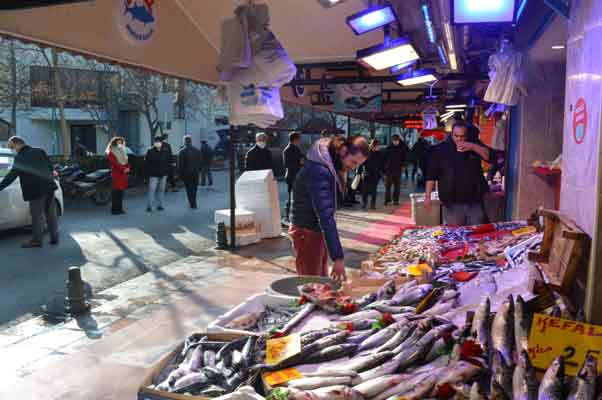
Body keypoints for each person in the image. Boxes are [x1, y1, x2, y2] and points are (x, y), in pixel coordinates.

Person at [290, 135, 369, 281]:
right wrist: (338, 257)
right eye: (353, 162)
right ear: (343, 150)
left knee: (320, 280)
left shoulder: (330, 166)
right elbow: (325, 215)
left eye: (358, 165)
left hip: (316, 230)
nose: (353, 167)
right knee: (311, 283)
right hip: (307, 232)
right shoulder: (319, 170)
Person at [425, 121, 492, 226]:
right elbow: (431, 175)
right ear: (451, 134)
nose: (459, 139)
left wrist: (473, 147)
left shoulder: (473, 144)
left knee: (477, 234)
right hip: (452, 202)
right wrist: (427, 197)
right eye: (456, 136)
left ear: (467, 135)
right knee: (455, 235)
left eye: (462, 136)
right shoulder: (440, 150)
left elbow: (488, 156)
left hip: (474, 201)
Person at [0, 136, 59, 248]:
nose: (13, 150)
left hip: (35, 191)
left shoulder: (20, 157)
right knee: (50, 213)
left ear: (17, 144)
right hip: (49, 187)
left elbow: (11, 176)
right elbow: (50, 167)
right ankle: (54, 237)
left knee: (36, 216)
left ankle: (37, 240)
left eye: (13, 147)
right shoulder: (40, 150)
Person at [145, 136, 172, 212]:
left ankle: (160, 205)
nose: (158, 143)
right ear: (154, 143)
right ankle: (149, 205)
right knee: (152, 190)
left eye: (159, 142)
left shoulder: (165, 151)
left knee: (161, 190)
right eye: (156, 142)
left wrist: (167, 170)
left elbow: (168, 161)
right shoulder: (150, 151)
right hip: (153, 174)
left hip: (163, 174)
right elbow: (147, 163)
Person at [106, 136, 131, 215]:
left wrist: (128, 168)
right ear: (114, 143)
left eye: (121, 142)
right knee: (115, 193)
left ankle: (120, 209)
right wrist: (124, 169)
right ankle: (114, 210)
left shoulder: (123, 151)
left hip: (123, 175)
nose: (120, 144)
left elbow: (126, 161)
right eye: (118, 142)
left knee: (121, 193)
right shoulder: (111, 152)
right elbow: (115, 163)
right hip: (116, 174)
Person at [282, 132, 304, 221]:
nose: (300, 141)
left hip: (292, 175)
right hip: (293, 175)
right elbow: (288, 164)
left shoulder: (291, 149)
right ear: (296, 139)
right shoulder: (291, 149)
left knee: (293, 196)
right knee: (292, 196)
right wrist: (300, 162)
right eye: (299, 139)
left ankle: (290, 216)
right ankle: (288, 216)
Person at [359, 139, 385, 210]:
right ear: (373, 146)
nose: (378, 147)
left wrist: (383, 173)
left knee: (374, 190)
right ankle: (364, 204)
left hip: (375, 175)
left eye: (378, 146)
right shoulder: (366, 153)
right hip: (366, 174)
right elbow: (361, 163)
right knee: (365, 191)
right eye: (376, 146)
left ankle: (372, 204)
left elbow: (382, 164)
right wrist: (359, 173)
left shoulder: (380, 154)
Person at [178, 135, 202, 209]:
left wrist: (180, 174)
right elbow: (200, 162)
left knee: (189, 189)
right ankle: (194, 203)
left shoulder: (182, 151)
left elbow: (180, 165)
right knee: (194, 188)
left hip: (186, 173)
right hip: (195, 173)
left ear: (184, 142)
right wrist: (199, 170)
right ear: (191, 141)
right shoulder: (197, 150)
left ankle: (192, 203)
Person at [384, 134, 407, 206]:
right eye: (394, 141)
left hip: (398, 169)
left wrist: (404, 165)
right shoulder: (388, 148)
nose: (396, 142)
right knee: (388, 186)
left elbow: (405, 157)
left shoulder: (402, 148)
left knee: (397, 186)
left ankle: (396, 200)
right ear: (392, 141)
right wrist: (385, 167)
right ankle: (387, 200)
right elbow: (384, 158)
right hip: (389, 170)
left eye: (397, 141)